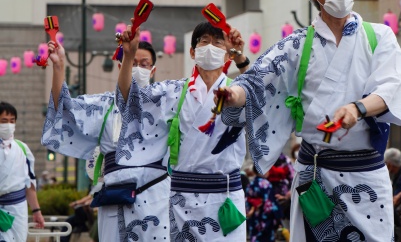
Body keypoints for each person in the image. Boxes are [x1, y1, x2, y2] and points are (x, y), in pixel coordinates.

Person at [220, 0, 401, 241]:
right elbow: (258, 81)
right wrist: (232, 94)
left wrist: (357, 109)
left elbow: (389, 89)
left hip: (366, 174)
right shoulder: (296, 44)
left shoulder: (379, 36)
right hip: (316, 174)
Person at [116, 21, 249, 241]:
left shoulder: (239, 90)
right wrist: (128, 57)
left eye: (217, 43)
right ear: (192, 52)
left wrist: (242, 60)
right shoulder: (174, 92)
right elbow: (129, 100)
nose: (210, 47)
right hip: (182, 201)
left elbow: (263, 98)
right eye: (204, 42)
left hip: (225, 198)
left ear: (228, 55)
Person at [41, 40, 170, 241]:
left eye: (144, 64)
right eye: (132, 62)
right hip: (114, 196)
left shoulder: (165, 101)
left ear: (152, 70)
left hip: (155, 197)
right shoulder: (104, 105)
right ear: (121, 66)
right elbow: (65, 110)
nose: (137, 68)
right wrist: (58, 67)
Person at [0, 102, 45, 240]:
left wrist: (36, 211)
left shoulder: (22, 149)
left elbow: (29, 184)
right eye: (4, 121)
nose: (8, 124)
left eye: (12, 121)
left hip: (17, 209)